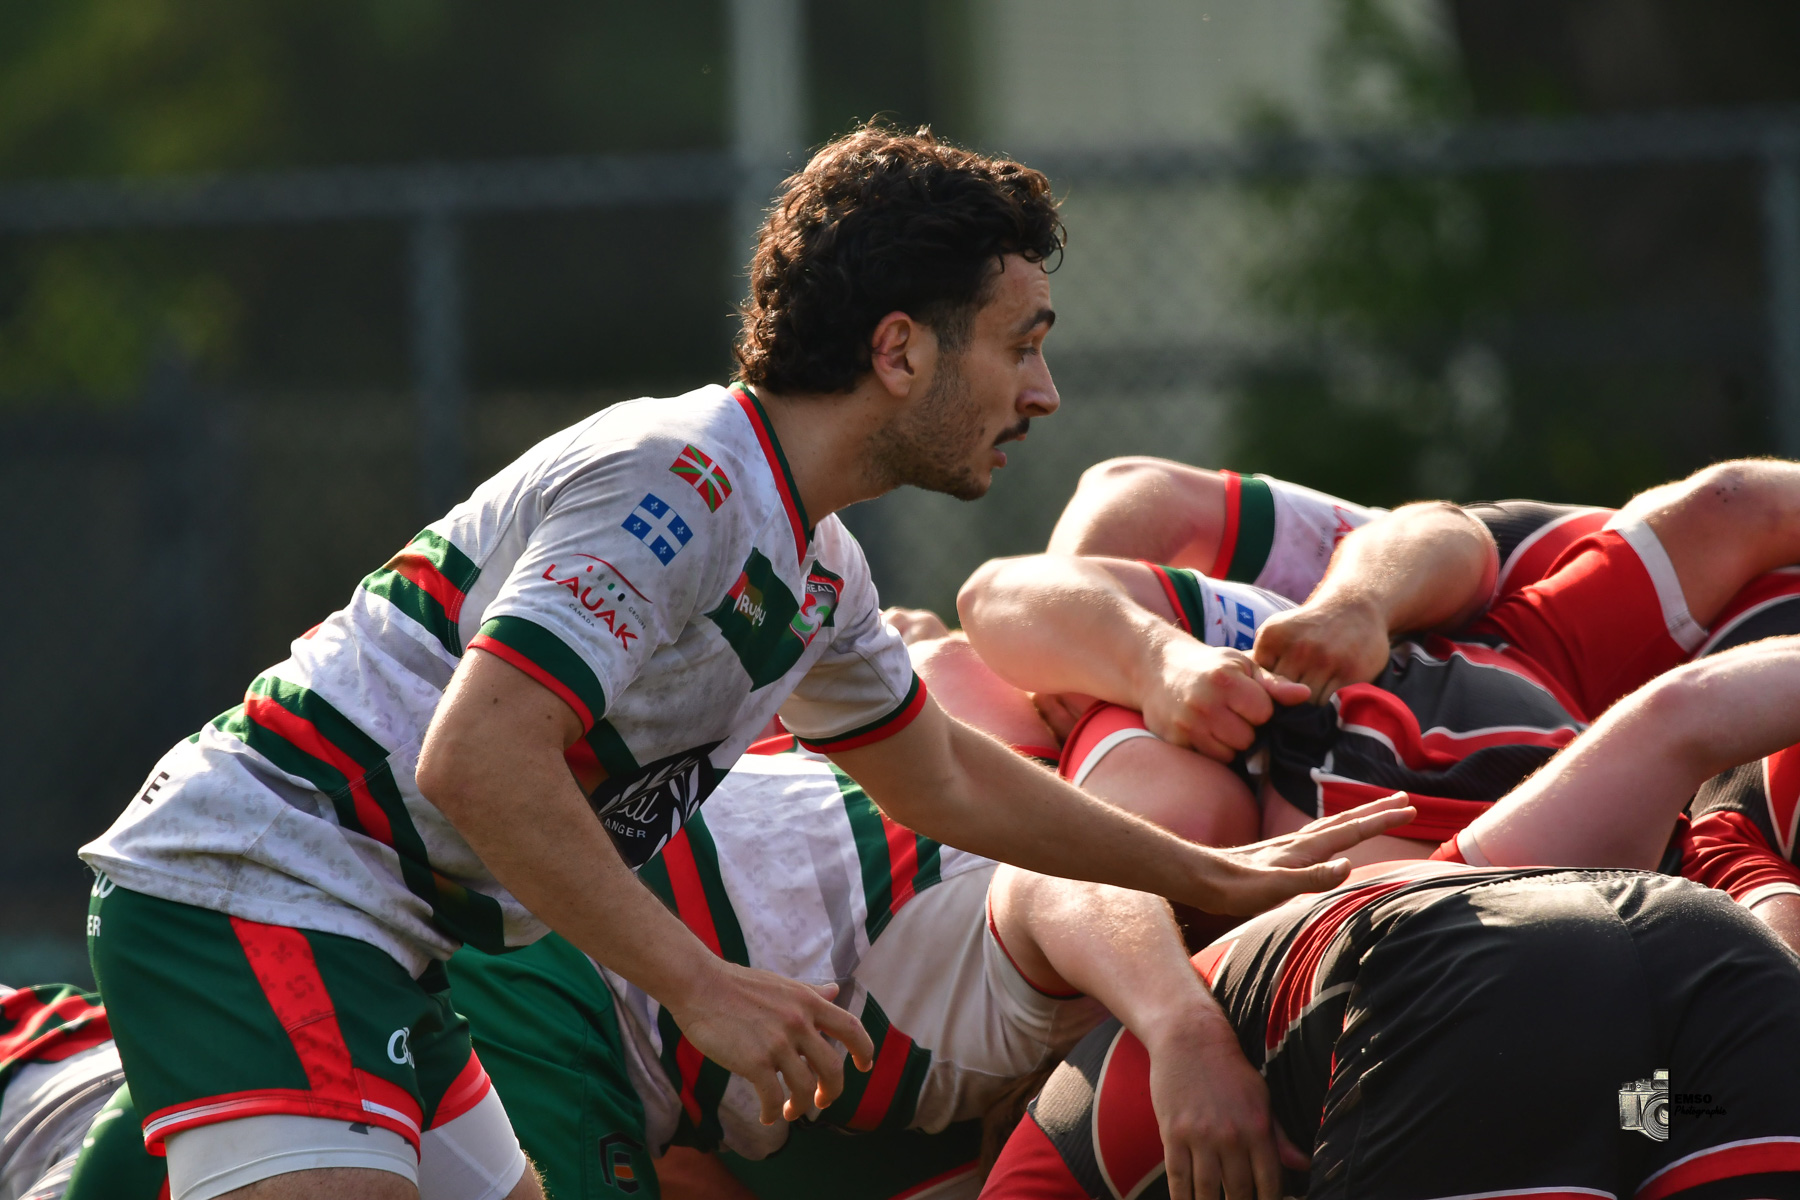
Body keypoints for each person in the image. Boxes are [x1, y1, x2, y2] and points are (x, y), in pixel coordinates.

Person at [75, 128, 1372, 1200]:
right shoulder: (682, 479)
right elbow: (476, 759)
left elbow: (947, 785)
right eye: (1021, 343)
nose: (1043, 392)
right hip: (268, 881)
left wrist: (1207, 875)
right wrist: (703, 987)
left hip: (386, 932)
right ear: (900, 350)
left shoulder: (814, 563)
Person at [60, 625, 1410, 1200]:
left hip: (572, 974)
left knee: (205, 1125)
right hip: (554, 965)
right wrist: (1184, 1028)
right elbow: (1065, 887)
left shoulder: (991, 1087)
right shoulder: (1041, 985)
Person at [982, 639, 1800, 1200]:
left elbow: (1054, 876)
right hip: (1703, 984)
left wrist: (1184, 1035)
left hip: (1495, 988)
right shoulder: (1468, 887)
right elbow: (1680, 711)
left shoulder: (1060, 1134)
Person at [961, 458, 1800, 859]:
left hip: (1500, 657)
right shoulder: (1197, 806)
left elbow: (1007, 586)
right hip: (1524, 832)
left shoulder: (1263, 659)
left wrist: (1143, 665)